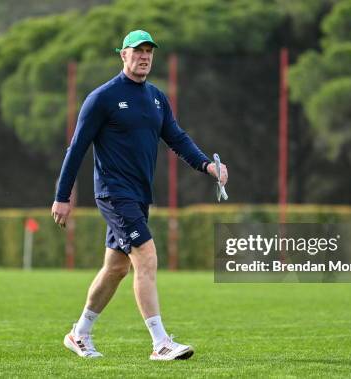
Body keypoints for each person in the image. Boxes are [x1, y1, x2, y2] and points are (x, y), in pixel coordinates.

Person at [51, 29, 228, 361]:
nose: (144, 56)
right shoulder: (102, 98)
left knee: (116, 269)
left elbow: (177, 138)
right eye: (138, 50)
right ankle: (160, 343)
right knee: (146, 258)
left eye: (149, 51)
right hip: (114, 195)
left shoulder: (157, 98)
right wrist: (63, 195)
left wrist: (207, 166)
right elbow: (76, 148)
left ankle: (79, 333)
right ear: (123, 55)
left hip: (138, 196)